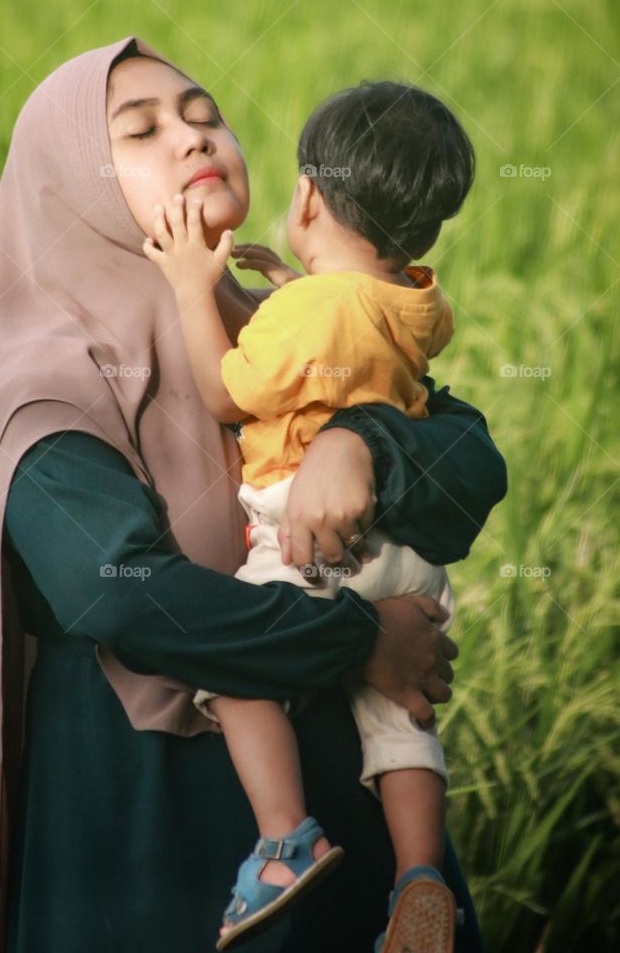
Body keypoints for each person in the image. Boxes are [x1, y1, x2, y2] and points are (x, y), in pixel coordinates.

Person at [0, 35, 507, 953]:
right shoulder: (49, 389)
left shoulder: (285, 320)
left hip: (342, 813)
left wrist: (361, 442)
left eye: (204, 113)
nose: (191, 137)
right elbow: (123, 593)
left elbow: (471, 462)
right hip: (150, 828)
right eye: (138, 132)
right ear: (70, 193)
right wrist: (360, 637)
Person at [143, 80, 477, 952]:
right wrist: (296, 289)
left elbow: (227, 391)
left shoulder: (306, 312)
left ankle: (285, 837)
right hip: (401, 556)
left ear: (305, 197)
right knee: (397, 712)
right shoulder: (413, 300)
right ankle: (418, 876)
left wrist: (189, 284)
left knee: (239, 668)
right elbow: (349, 338)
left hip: (310, 532)